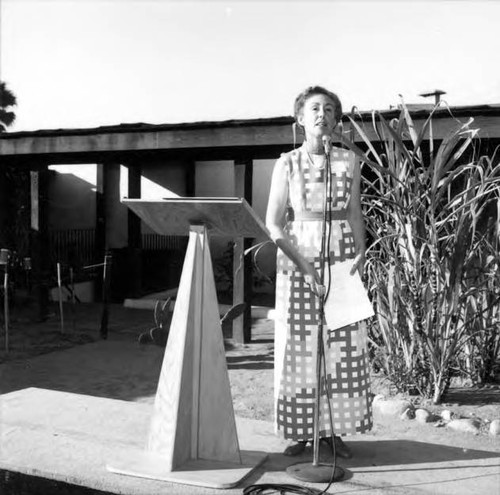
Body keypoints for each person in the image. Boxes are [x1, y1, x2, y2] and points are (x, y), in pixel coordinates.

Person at [265, 86, 372, 458]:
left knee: (341, 347)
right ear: (300, 118)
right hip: (298, 263)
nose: (321, 114)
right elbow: (274, 224)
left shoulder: (348, 161)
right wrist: (304, 265)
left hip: (341, 260)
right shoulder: (287, 163)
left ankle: (334, 432)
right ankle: (301, 433)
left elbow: (355, 212)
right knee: (300, 347)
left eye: (329, 109)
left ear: (336, 120)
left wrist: (360, 249)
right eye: (314, 108)